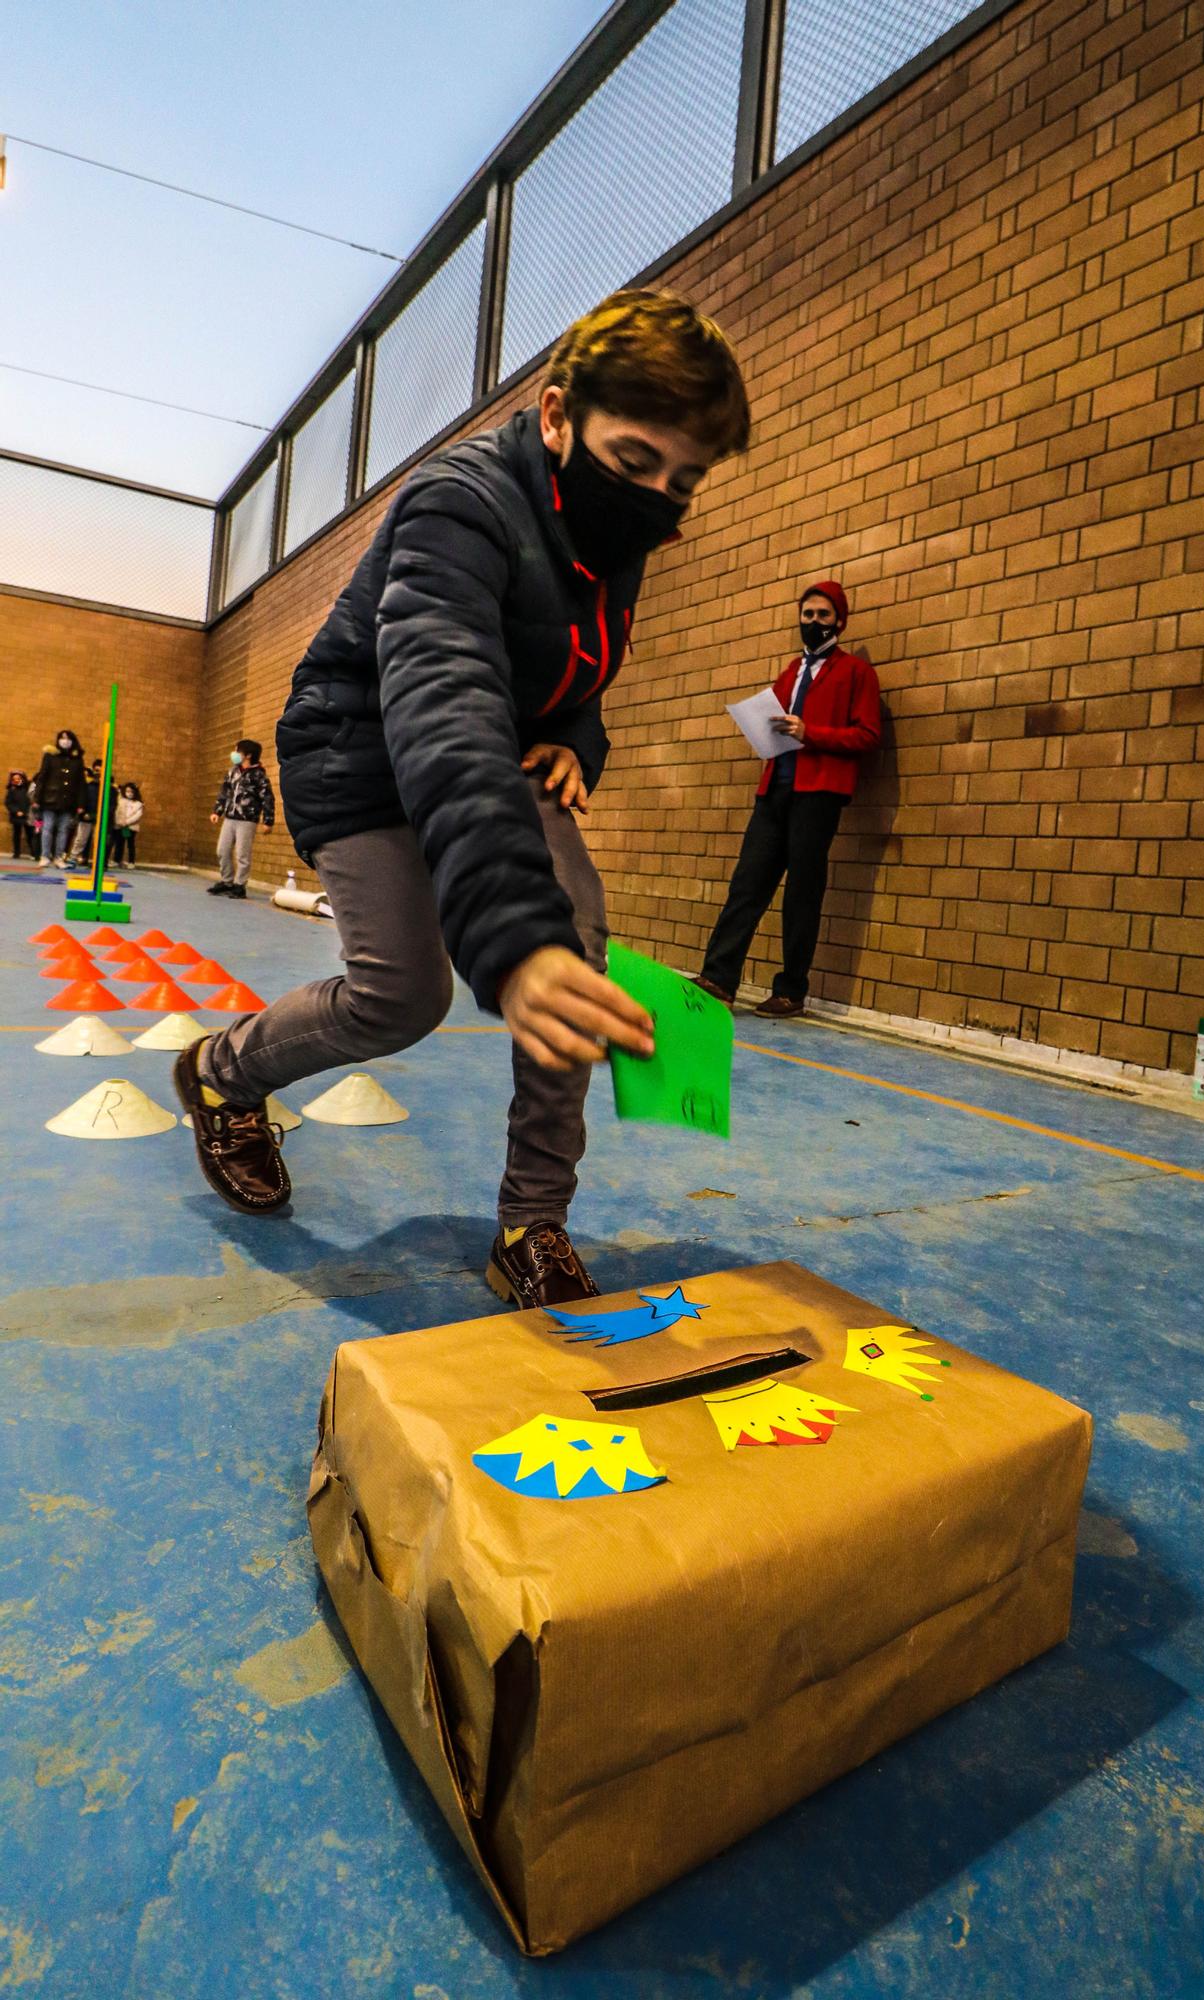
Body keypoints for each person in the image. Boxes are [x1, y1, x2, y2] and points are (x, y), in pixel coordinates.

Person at [174, 289, 750, 1312]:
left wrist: (575, 735)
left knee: (574, 941)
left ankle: (534, 1222)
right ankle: (223, 1072)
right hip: (360, 748)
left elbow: (569, 667)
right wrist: (504, 935)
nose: (657, 497)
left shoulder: (615, 534)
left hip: (488, 753)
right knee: (404, 996)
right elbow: (441, 697)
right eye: (632, 462)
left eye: (684, 478)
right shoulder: (460, 501)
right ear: (558, 412)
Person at [695, 580, 881, 1019]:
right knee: (747, 885)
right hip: (775, 790)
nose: (813, 622)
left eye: (823, 615)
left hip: (818, 795)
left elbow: (868, 735)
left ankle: (791, 991)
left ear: (840, 621)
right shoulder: (790, 671)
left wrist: (810, 733)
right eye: (808, 614)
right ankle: (719, 979)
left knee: (801, 893)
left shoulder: (856, 673)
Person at [208, 741, 275, 898]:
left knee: (242, 854)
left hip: (247, 820)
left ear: (248, 755)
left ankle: (239, 885)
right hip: (230, 818)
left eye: (237, 751)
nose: (234, 753)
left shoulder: (259, 775)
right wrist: (217, 811)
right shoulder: (233, 772)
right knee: (222, 850)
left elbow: (267, 798)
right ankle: (227, 881)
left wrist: (268, 820)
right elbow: (224, 792)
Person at [32, 730, 85, 868]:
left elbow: (80, 783)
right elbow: (42, 777)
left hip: (68, 801)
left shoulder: (77, 759)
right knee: (48, 828)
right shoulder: (50, 756)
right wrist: (37, 798)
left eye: (68, 738)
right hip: (49, 799)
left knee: (63, 830)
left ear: (73, 741)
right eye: (62, 738)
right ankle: (44, 856)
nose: (65, 741)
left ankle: (58, 857)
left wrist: (80, 803)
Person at [5, 771, 37, 860]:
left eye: (18, 779)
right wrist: (16, 811)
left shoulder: (27, 788)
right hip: (16, 816)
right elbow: (8, 803)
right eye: (14, 779)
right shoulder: (11, 790)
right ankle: (16, 853)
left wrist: (27, 811)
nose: (16, 780)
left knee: (30, 834)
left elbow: (30, 800)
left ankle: (34, 853)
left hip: (27, 815)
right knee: (16, 835)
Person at [113, 783, 144, 866]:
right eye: (127, 791)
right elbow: (117, 813)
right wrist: (119, 822)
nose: (129, 793)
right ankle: (117, 860)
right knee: (119, 843)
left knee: (130, 844)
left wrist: (127, 822)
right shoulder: (121, 801)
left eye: (131, 792)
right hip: (120, 825)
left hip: (131, 827)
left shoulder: (138, 804)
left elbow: (138, 815)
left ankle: (131, 861)